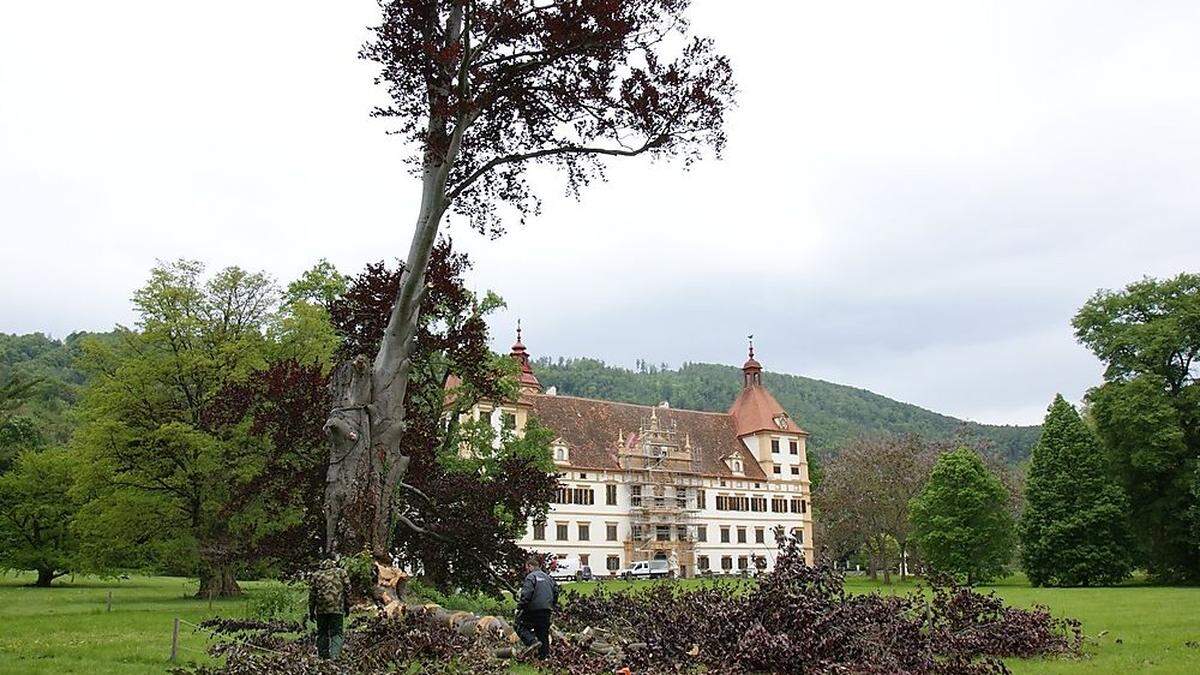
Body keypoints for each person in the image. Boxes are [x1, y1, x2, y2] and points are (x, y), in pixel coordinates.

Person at [515, 555, 558, 659]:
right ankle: (544, 658)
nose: (527, 570)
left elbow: (527, 594)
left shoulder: (531, 577)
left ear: (530, 566)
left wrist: (520, 607)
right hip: (546, 609)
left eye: (527, 568)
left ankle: (532, 642)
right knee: (543, 633)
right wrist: (552, 605)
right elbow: (556, 592)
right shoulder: (548, 578)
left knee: (519, 626)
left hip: (533, 609)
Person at [308, 555, 351, 660]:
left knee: (322, 632)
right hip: (337, 609)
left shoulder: (316, 575)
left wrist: (311, 611)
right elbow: (348, 591)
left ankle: (323, 657)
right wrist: (347, 607)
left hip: (321, 609)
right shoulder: (341, 573)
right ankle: (334, 656)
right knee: (337, 633)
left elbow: (312, 595)